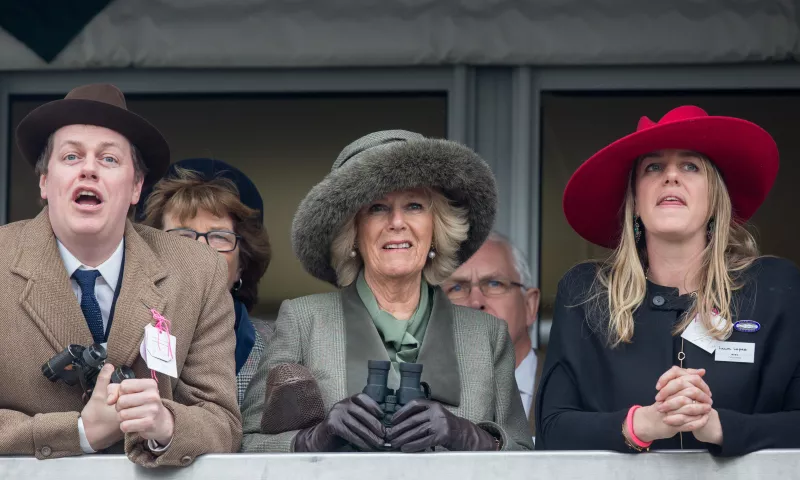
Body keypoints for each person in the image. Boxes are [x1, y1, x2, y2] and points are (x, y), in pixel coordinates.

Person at [241, 130, 533, 453]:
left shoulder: (487, 336)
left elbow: (524, 454)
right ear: (352, 231)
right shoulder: (303, 321)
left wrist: (469, 436)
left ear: (437, 227)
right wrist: (311, 440)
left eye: (414, 206)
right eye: (377, 208)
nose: (397, 222)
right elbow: (247, 444)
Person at [535, 105, 800, 456]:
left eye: (690, 166)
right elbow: (552, 430)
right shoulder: (585, 292)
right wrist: (644, 424)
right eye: (653, 167)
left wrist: (717, 426)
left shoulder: (774, 288)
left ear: (716, 198)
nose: (671, 176)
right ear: (634, 201)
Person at [0, 84, 241, 466]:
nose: (89, 169)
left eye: (109, 159)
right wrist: (78, 432)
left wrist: (166, 424)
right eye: (71, 156)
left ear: (136, 187)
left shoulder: (197, 270)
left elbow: (222, 420)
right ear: (45, 181)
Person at [137, 158, 272, 404]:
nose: (201, 252)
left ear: (242, 264)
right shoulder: (122, 337)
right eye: (183, 235)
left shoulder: (279, 349)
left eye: (219, 236)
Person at [444, 231, 540, 430]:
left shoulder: (577, 388)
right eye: (457, 288)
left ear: (530, 305)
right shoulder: (423, 390)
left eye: (494, 284)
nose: (476, 301)